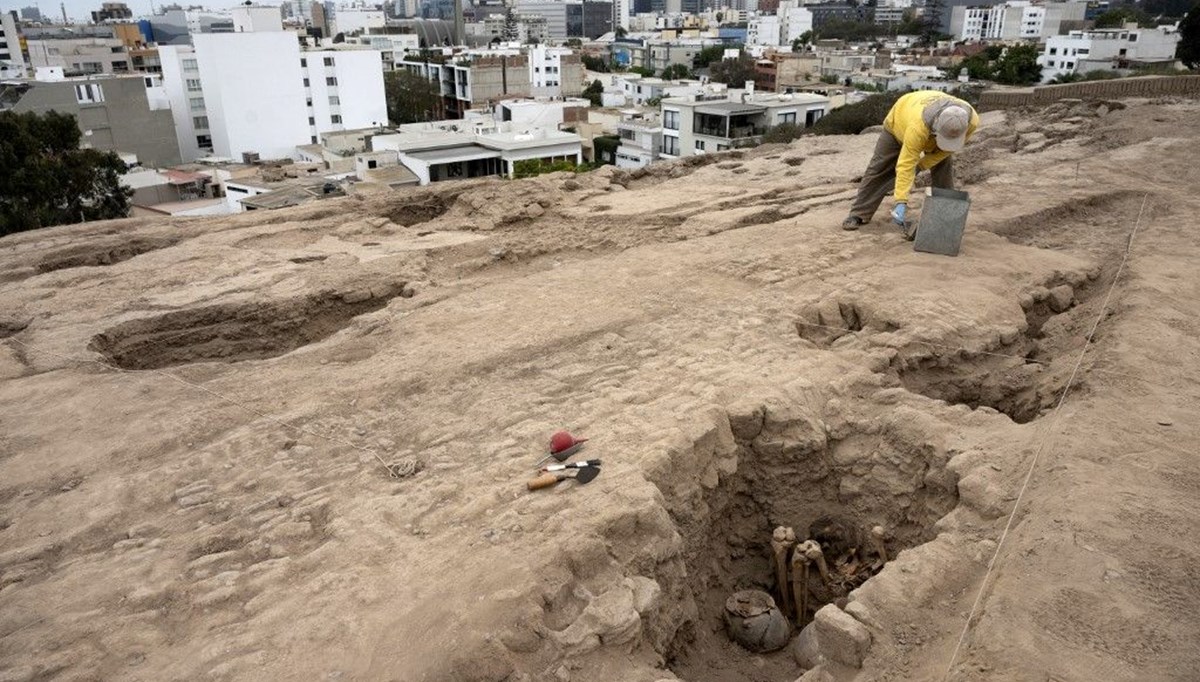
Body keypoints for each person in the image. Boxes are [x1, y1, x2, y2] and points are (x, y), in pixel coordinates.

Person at [841, 90, 979, 232]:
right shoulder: (918, 127)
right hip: (899, 122)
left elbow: (947, 150)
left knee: (943, 167)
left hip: (931, 124)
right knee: (879, 167)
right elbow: (906, 163)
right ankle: (858, 213)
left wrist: (922, 165)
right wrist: (901, 201)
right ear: (936, 126)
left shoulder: (972, 121)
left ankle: (945, 217)